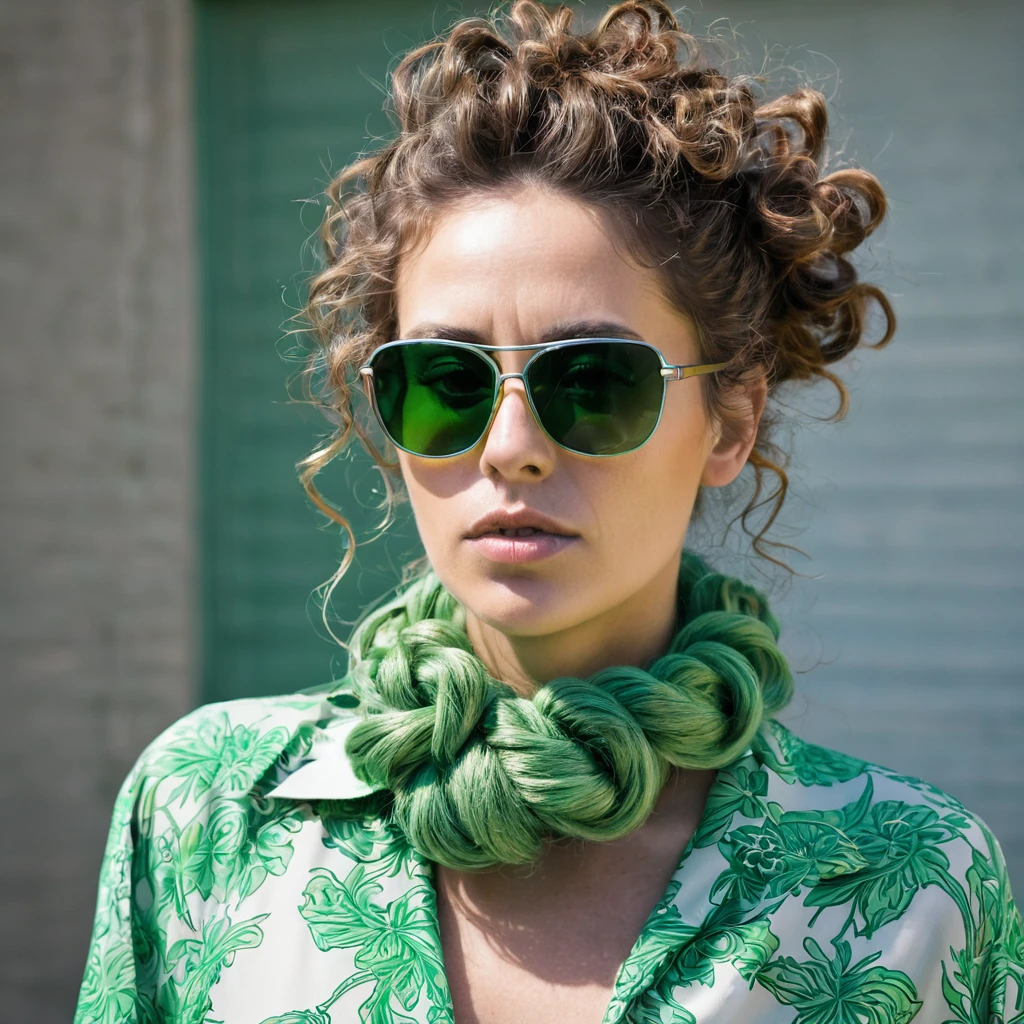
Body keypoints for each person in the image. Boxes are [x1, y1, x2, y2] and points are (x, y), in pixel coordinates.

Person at [74, 1, 1022, 1021]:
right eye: (443, 378)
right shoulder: (205, 810)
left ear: (730, 420)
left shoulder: (905, 883)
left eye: (594, 381)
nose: (510, 444)